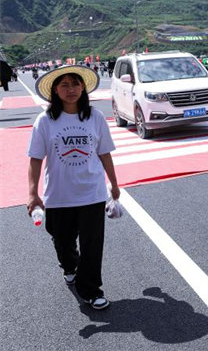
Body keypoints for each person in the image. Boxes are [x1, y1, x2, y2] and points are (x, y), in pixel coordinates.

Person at [26, 65, 120, 311]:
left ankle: (90, 290)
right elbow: (35, 158)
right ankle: (69, 266)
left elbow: (104, 153)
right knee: (61, 239)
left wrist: (114, 184)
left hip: (92, 192)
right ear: (55, 90)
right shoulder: (45, 121)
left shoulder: (95, 117)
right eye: (64, 85)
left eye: (75, 84)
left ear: (83, 87)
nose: (71, 89)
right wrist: (33, 194)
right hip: (58, 195)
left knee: (92, 244)